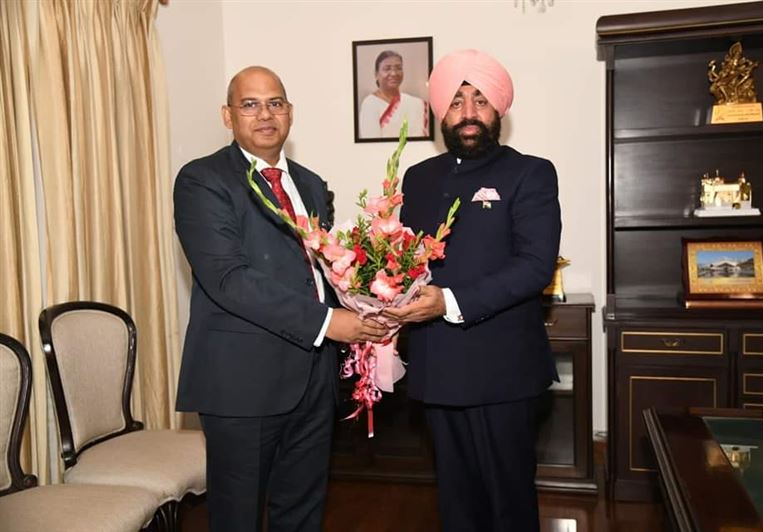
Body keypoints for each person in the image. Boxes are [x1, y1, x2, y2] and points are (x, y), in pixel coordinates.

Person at [173, 66, 388, 532]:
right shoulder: (202, 181)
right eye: (250, 104)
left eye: (275, 103)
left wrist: (375, 297)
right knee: (238, 517)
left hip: (314, 377)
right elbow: (229, 279)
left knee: (302, 510)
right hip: (241, 383)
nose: (265, 114)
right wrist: (329, 322)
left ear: (289, 112)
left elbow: (322, 270)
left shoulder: (310, 185)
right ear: (227, 116)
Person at [384, 49, 562, 532]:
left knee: (509, 504)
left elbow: (534, 266)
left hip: (502, 371)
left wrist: (449, 301)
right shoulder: (418, 179)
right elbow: (407, 264)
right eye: (457, 101)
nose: (468, 113)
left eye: (480, 100)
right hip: (437, 366)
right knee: (457, 502)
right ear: (441, 111)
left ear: (498, 109)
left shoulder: (530, 172)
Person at [358, 50, 429, 138]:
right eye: (387, 69)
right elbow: (371, 143)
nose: (394, 73)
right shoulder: (370, 104)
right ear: (376, 74)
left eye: (398, 68)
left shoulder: (416, 103)